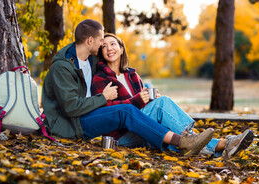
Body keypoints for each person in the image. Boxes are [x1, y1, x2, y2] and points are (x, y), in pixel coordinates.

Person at [42, 19, 215, 156]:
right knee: (126, 111)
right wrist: (104, 97)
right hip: (72, 125)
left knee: (155, 107)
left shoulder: (90, 59)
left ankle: (207, 144)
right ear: (89, 41)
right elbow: (71, 108)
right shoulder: (62, 67)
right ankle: (183, 142)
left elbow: (113, 63)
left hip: (88, 115)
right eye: (101, 40)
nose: (104, 44)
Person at [91, 33, 254, 158]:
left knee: (165, 120)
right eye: (104, 46)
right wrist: (140, 101)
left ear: (121, 48)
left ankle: (223, 146)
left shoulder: (132, 75)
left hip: (143, 128)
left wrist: (150, 100)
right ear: (101, 52)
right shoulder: (100, 78)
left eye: (113, 44)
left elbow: (143, 106)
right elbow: (105, 113)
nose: (109, 48)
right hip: (121, 135)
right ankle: (221, 143)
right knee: (163, 104)